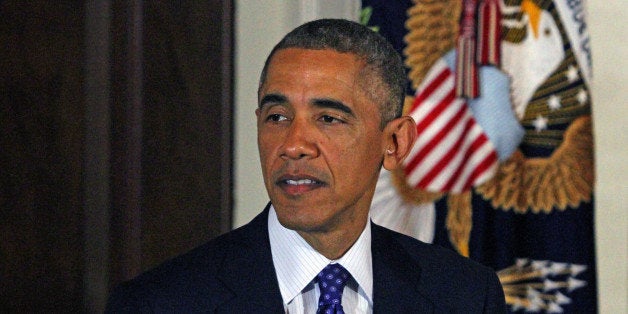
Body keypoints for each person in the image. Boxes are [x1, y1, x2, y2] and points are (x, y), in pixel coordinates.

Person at [106, 19, 507, 313]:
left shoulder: (467, 297)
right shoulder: (158, 304)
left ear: (395, 142)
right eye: (277, 117)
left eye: (329, 119)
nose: (293, 145)